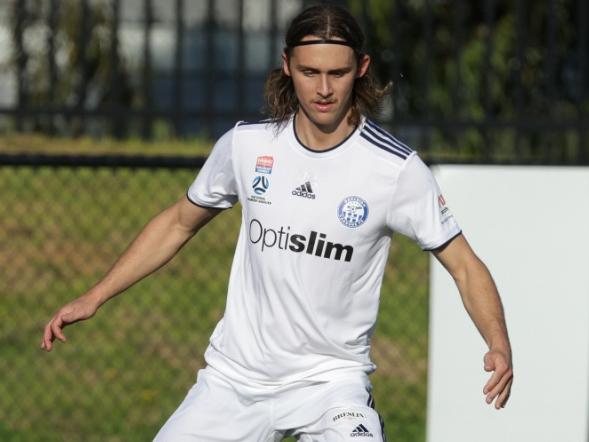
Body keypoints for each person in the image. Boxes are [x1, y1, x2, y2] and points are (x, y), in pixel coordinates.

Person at [41, 5, 513, 441]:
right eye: (310, 72)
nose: (323, 89)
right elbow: (178, 224)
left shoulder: (395, 170)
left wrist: (498, 343)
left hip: (330, 388)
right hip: (233, 382)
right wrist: (95, 295)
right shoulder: (247, 147)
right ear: (287, 65)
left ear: (362, 69)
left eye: (337, 73)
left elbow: (465, 266)